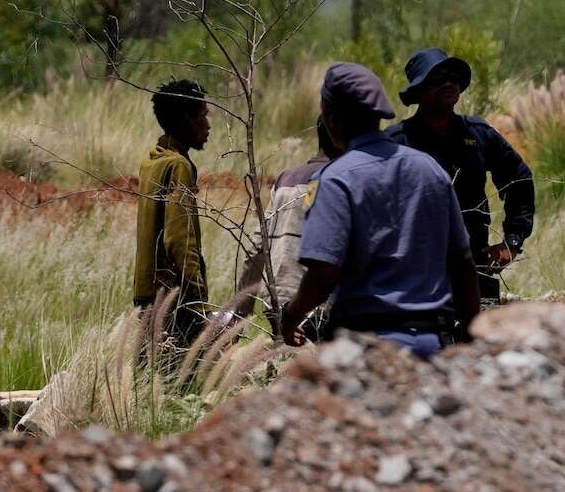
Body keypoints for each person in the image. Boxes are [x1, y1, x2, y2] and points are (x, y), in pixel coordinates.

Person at [281, 63, 480, 359]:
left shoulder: (335, 179)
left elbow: (323, 272)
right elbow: (462, 261)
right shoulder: (430, 170)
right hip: (431, 345)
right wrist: (468, 333)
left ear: (332, 119)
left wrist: (291, 314)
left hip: (365, 350)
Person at [386, 48, 534, 303]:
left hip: (472, 267)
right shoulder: (396, 142)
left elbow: (519, 179)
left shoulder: (479, 134)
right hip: (410, 275)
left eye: (453, 77)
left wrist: (512, 240)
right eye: (437, 77)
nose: (448, 83)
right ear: (419, 90)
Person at [225, 118, 343, 338]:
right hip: (317, 300)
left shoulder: (286, 179)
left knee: (283, 361)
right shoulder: (340, 179)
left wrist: (241, 310)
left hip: (278, 296)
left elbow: (258, 246)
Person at [132, 79, 212, 346]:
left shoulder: (153, 161)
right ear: (187, 119)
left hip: (149, 297)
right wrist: (198, 300)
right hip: (174, 300)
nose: (208, 124)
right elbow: (180, 239)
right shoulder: (178, 166)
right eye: (203, 116)